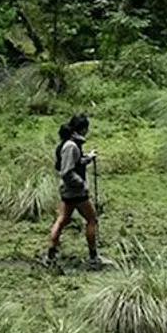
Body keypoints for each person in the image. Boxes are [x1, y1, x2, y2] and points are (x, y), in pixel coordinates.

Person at [44, 113, 109, 269]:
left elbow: (76, 162)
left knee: (62, 220)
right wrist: (81, 184)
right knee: (92, 219)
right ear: (84, 129)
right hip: (75, 191)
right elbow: (67, 171)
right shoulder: (71, 146)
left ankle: (50, 255)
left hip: (67, 191)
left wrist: (88, 158)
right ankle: (93, 257)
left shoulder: (70, 143)